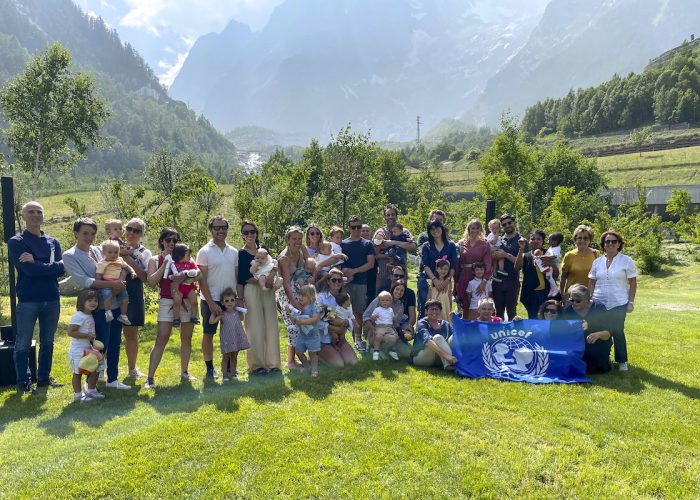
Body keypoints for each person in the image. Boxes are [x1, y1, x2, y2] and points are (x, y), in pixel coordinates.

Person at [63, 217, 131, 390]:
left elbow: (118, 266)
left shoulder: (99, 249)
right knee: (100, 345)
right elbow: (85, 281)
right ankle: (89, 384)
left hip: (115, 302)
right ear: (76, 233)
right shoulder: (70, 255)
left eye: (92, 233)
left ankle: (113, 379)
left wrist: (120, 282)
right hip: (97, 307)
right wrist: (111, 285)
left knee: (115, 342)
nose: (89, 237)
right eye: (85, 233)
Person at [8, 201, 65, 394]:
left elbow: (61, 269)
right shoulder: (16, 242)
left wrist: (36, 262)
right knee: (23, 342)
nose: (35, 215)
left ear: (43, 215)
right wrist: (46, 266)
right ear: (23, 216)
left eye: (38, 212)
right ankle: (24, 382)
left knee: (47, 341)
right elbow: (29, 271)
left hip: (52, 298)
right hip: (28, 300)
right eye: (30, 212)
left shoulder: (53, 242)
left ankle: (43, 379)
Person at [145, 228, 206, 388]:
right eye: (168, 240)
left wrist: (186, 282)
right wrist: (165, 263)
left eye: (174, 240)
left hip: (186, 300)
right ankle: (150, 377)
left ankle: (185, 372)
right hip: (167, 301)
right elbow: (151, 281)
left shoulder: (185, 257)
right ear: (162, 242)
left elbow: (198, 276)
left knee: (186, 338)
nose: (171, 243)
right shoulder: (154, 259)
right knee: (161, 338)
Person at [196, 216, 239, 379]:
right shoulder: (204, 252)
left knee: (230, 334)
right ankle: (209, 368)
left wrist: (237, 300)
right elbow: (202, 281)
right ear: (211, 229)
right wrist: (210, 302)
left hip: (230, 301)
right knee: (209, 334)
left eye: (223, 227)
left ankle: (228, 367)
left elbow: (235, 277)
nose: (220, 231)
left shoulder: (234, 252)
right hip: (211, 299)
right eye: (217, 228)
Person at [588, 230, 638, 372]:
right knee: (599, 330)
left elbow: (633, 283)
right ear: (603, 244)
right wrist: (589, 298)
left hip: (619, 302)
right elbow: (591, 282)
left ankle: (622, 361)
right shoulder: (597, 262)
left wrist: (631, 302)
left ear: (619, 244)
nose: (610, 244)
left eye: (613, 241)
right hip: (598, 302)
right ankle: (603, 357)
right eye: (607, 241)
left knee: (617, 331)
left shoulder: (626, 261)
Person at [237, 220, 281, 375]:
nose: (250, 235)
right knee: (254, 327)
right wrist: (240, 299)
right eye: (246, 232)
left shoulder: (264, 250)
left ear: (256, 233)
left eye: (252, 231)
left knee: (271, 326)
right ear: (242, 236)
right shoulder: (241, 254)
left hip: (268, 291)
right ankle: (257, 365)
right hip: (252, 291)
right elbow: (244, 278)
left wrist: (270, 280)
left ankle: (273, 363)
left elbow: (271, 268)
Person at [119, 218, 152, 379]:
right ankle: (102, 369)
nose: (132, 233)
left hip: (133, 293)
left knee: (131, 334)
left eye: (136, 230)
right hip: (111, 294)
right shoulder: (113, 246)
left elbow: (146, 277)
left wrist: (130, 260)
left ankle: (132, 369)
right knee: (107, 333)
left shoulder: (145, 253)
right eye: (129, 229)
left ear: (142, 234)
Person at [277, 226, 312, 369]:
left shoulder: (301, 249)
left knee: (302, 322)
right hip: (287, 294)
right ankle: (292, 361)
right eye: (294, 239)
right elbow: (285, 282)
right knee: (293, 325)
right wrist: (293, 303)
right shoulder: (284, 258)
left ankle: (291, 359)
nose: (297, 241)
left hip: (300, 290)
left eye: (299, 238)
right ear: (287, 240)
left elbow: (310, 264)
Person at [341, 216, 376, 352]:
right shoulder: (342, 244)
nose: (356, 229)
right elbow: (338, 262)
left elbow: (371, 263)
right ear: (348, 227)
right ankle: (341, 340)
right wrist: (345, 272)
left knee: (358, 313)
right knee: (341, 312)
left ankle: (358, 339)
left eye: (359, 227)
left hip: (360, 282)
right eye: (353, 227)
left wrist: (353, 271)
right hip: (343, 283)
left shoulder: (367, 244)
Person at [562, 284, 613, 374]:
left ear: (587, 300)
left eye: (577, 301)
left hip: (597, 342)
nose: (573, 303)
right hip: (577, 343)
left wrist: (597, 334)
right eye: (571, 300)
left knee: (597, 369)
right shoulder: (568, 311)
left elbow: (608, 333)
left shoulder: (599, 308)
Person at [316, 268, 358, 368]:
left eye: (339, 280)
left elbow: (350, 317)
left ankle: (336, 351)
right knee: (339, 365)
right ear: (328, 281)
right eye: (334, 280)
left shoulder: (346, 297)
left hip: (340, 337)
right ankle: (317, 355)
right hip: (324, 339)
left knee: (353, 362)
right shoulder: (320, 298)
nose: (337, 282)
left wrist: (344, 322)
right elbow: (317, 322)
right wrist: (335, 328)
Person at [68, 289, 104, 402]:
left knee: (96, 368)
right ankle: (78, 395)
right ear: (82, 302)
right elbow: (71, 332)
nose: (93, 303)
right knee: (78, 373)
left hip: (88, 349)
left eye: (95, 300)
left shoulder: (90, 315)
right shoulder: (79, 316)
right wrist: (86, 335)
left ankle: (91, 390)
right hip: (77, 350)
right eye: (89, 300)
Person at [362, 280, 412, 359]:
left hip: (389, 330)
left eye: (402, 290)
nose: (399, 292)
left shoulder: (400, 304)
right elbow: (365, 316)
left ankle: (384, 350)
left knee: (406, 352)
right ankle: (374, 349)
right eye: (397, 289)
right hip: (375, 330)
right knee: (391, 339)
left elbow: (396, 323)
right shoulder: (381, 298)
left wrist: (405, 329)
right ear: (393, 289)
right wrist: (373, 328)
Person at [208, 287, 250, 381]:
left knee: (234, 356)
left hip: (236, 337)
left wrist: (239, 307)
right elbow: (211, 322)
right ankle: (225, 375)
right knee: (226, 356)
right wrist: (216, 314)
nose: (230, 302)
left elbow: (242, 318)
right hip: (227, 338)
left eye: (232, 300)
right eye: (227, 301)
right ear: (223, 303)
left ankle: (233, 373)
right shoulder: (222, 314)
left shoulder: (237, 312)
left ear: (235, 301)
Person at [491, 214, 527, 320]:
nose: (507, 226)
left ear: (514, 222)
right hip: (497, 281)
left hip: (512, 280)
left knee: (512, 312)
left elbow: (521, 265)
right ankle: (499, 335)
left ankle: (512, 335)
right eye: (504, 224)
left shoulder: (521, 241)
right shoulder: (499, 239)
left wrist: (506, 255)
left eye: (509, 223)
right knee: (498, 312)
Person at [516, 230, 559, 319]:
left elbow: (556, 274)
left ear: (543, 241)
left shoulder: (549, 254)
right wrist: (521, 249)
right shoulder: (525, 255)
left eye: (538, 239)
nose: (535, 241)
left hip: (546, 292)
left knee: (546, 317)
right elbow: (517, 267)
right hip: (530, 293)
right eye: (533, 239)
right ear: (529, 241)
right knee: (533, 318)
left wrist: (552, 264)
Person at [373, 205, 416, 292]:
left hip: (400, 275)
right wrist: (388, 256)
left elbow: (413, 246)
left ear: (396, 216)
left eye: (393, 214)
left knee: (400, 300)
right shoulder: (380, 232)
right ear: (384, 217)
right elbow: (375, 254)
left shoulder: (404, 231)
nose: (390, 217)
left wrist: (392, 242)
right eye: (388, 215)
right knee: (382, 300)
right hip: (384, 274)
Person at [455, 219, 492, 318]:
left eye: (477, 228)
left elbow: (488, 264)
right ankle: (465, 327)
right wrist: (456, 281)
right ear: (469, 229)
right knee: (464, 303)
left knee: (477, 303)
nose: (475, 230)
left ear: (480, 230)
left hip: (478, 277)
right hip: (463, 276)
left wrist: (484, 281)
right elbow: (457, 263)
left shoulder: (485, 244)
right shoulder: (461, 244)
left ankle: (477, 327)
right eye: (473, 228)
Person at [420, 219, 457, 318]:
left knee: (445, 307)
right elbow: (425, 265)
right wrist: (434, 280)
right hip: (430, 281)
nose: (435, 230)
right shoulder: (426, 246)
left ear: (442, 228)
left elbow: (453, 266)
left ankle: (446, 329)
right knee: (428, 307)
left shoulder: (451, 245)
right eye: (431, 229)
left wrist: (447, 280)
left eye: (437, 227)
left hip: (446, 281)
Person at [95, 239, 135, 324]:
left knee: (125, 299)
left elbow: (127, 267)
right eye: (110, 252)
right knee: (107, 296)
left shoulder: (120, 260)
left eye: (116, 252)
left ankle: (123, 315)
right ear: (104, 253)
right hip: (107, 283)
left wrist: (132, 272)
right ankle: (107, 312)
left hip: (119, 283)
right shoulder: (102, 263)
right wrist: (98, 284)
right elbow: (99, 275)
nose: (113, 255)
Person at [410, 299, 457, 369]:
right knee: (437, 337)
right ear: (426, 311)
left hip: (439, 357)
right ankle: (450, 365)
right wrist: (447, 356)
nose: (434, 311)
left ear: (440, 311)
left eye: (436, 309)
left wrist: (457, 322)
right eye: (431, 309)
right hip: (422, 357)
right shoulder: (422, 323)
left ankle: (457, 363)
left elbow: (454, 339)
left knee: (454, 337)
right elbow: (427, 341)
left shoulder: (445, 324)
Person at [288, 284, 322, 377]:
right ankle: (307, 367)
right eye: (299, 295)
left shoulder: (314, 307)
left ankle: (314, 370)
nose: (300, 297)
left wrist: (301, 322)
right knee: (299, 351)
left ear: (310, 296)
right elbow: (294, 320)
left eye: (303, 296)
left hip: (312, 335)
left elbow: (314, 319)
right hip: (302, 335)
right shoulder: (300, 308)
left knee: (313, 354)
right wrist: (289, 314)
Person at [560, 225, 599, 300]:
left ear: (590, 240)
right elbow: (563, 278)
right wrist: (562, 296)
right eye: (579, 238)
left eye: (585, 238)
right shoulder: (569, 255)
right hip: (572, 297)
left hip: (590, 297)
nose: (582, 241)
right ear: (575, 239)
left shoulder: (596, 254)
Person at [166, 243, 200, 326]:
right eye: (188, 255)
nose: (189, 257)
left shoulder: (190, 263)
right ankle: (176, 319)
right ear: (180, 255)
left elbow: (197, 270)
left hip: (189, 287)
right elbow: (169, 275)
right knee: (177, 302)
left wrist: (194, 272)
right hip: (178, 288)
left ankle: (194, 317)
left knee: (194, 301)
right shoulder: (173, 264)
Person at [369, 291, 400, 361]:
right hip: (380, 326)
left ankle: (391, 350)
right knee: (378, 337)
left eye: (387, 300)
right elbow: (372, 317)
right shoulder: (377, 309)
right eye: (382, 300)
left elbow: (392, 319)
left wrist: (395, 318)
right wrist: (373, 316)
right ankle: (376, 351)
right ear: (379, 301)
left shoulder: (390, 310)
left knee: (396, 336)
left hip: (389, 326)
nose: (385, 302)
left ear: (390, 302)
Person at [427, 257, 453, 322]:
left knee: (444, 321)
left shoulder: (449, 282)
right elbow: (429, 295)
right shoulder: (432, 281)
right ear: (436, 269)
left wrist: (450, 307)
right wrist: (427, 307)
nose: (443, 271)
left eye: (446, 269)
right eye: (441, 269)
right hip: (434, 304)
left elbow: (449, 295)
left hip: (445, 305)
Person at [360, 223, 377, 308]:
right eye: (363, 231)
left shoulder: (375, 245)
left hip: (372, 278)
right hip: (359, 278)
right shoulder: (356, 244)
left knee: (370, 301)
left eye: (367, 230)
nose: (365, 232)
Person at [486, 218, 507, 282]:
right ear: (490, 229)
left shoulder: (497, 235)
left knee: (499, 260)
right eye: (493, 229)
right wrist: (488, 241)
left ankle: (498, 271)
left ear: (499, 228)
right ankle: (497, 272)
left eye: (496, 228)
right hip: (493, 250)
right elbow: (492, 242)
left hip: (496, 249)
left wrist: (488, 241)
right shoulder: (490, 235)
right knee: (498, 261)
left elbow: (494, 242)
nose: (495, 230)